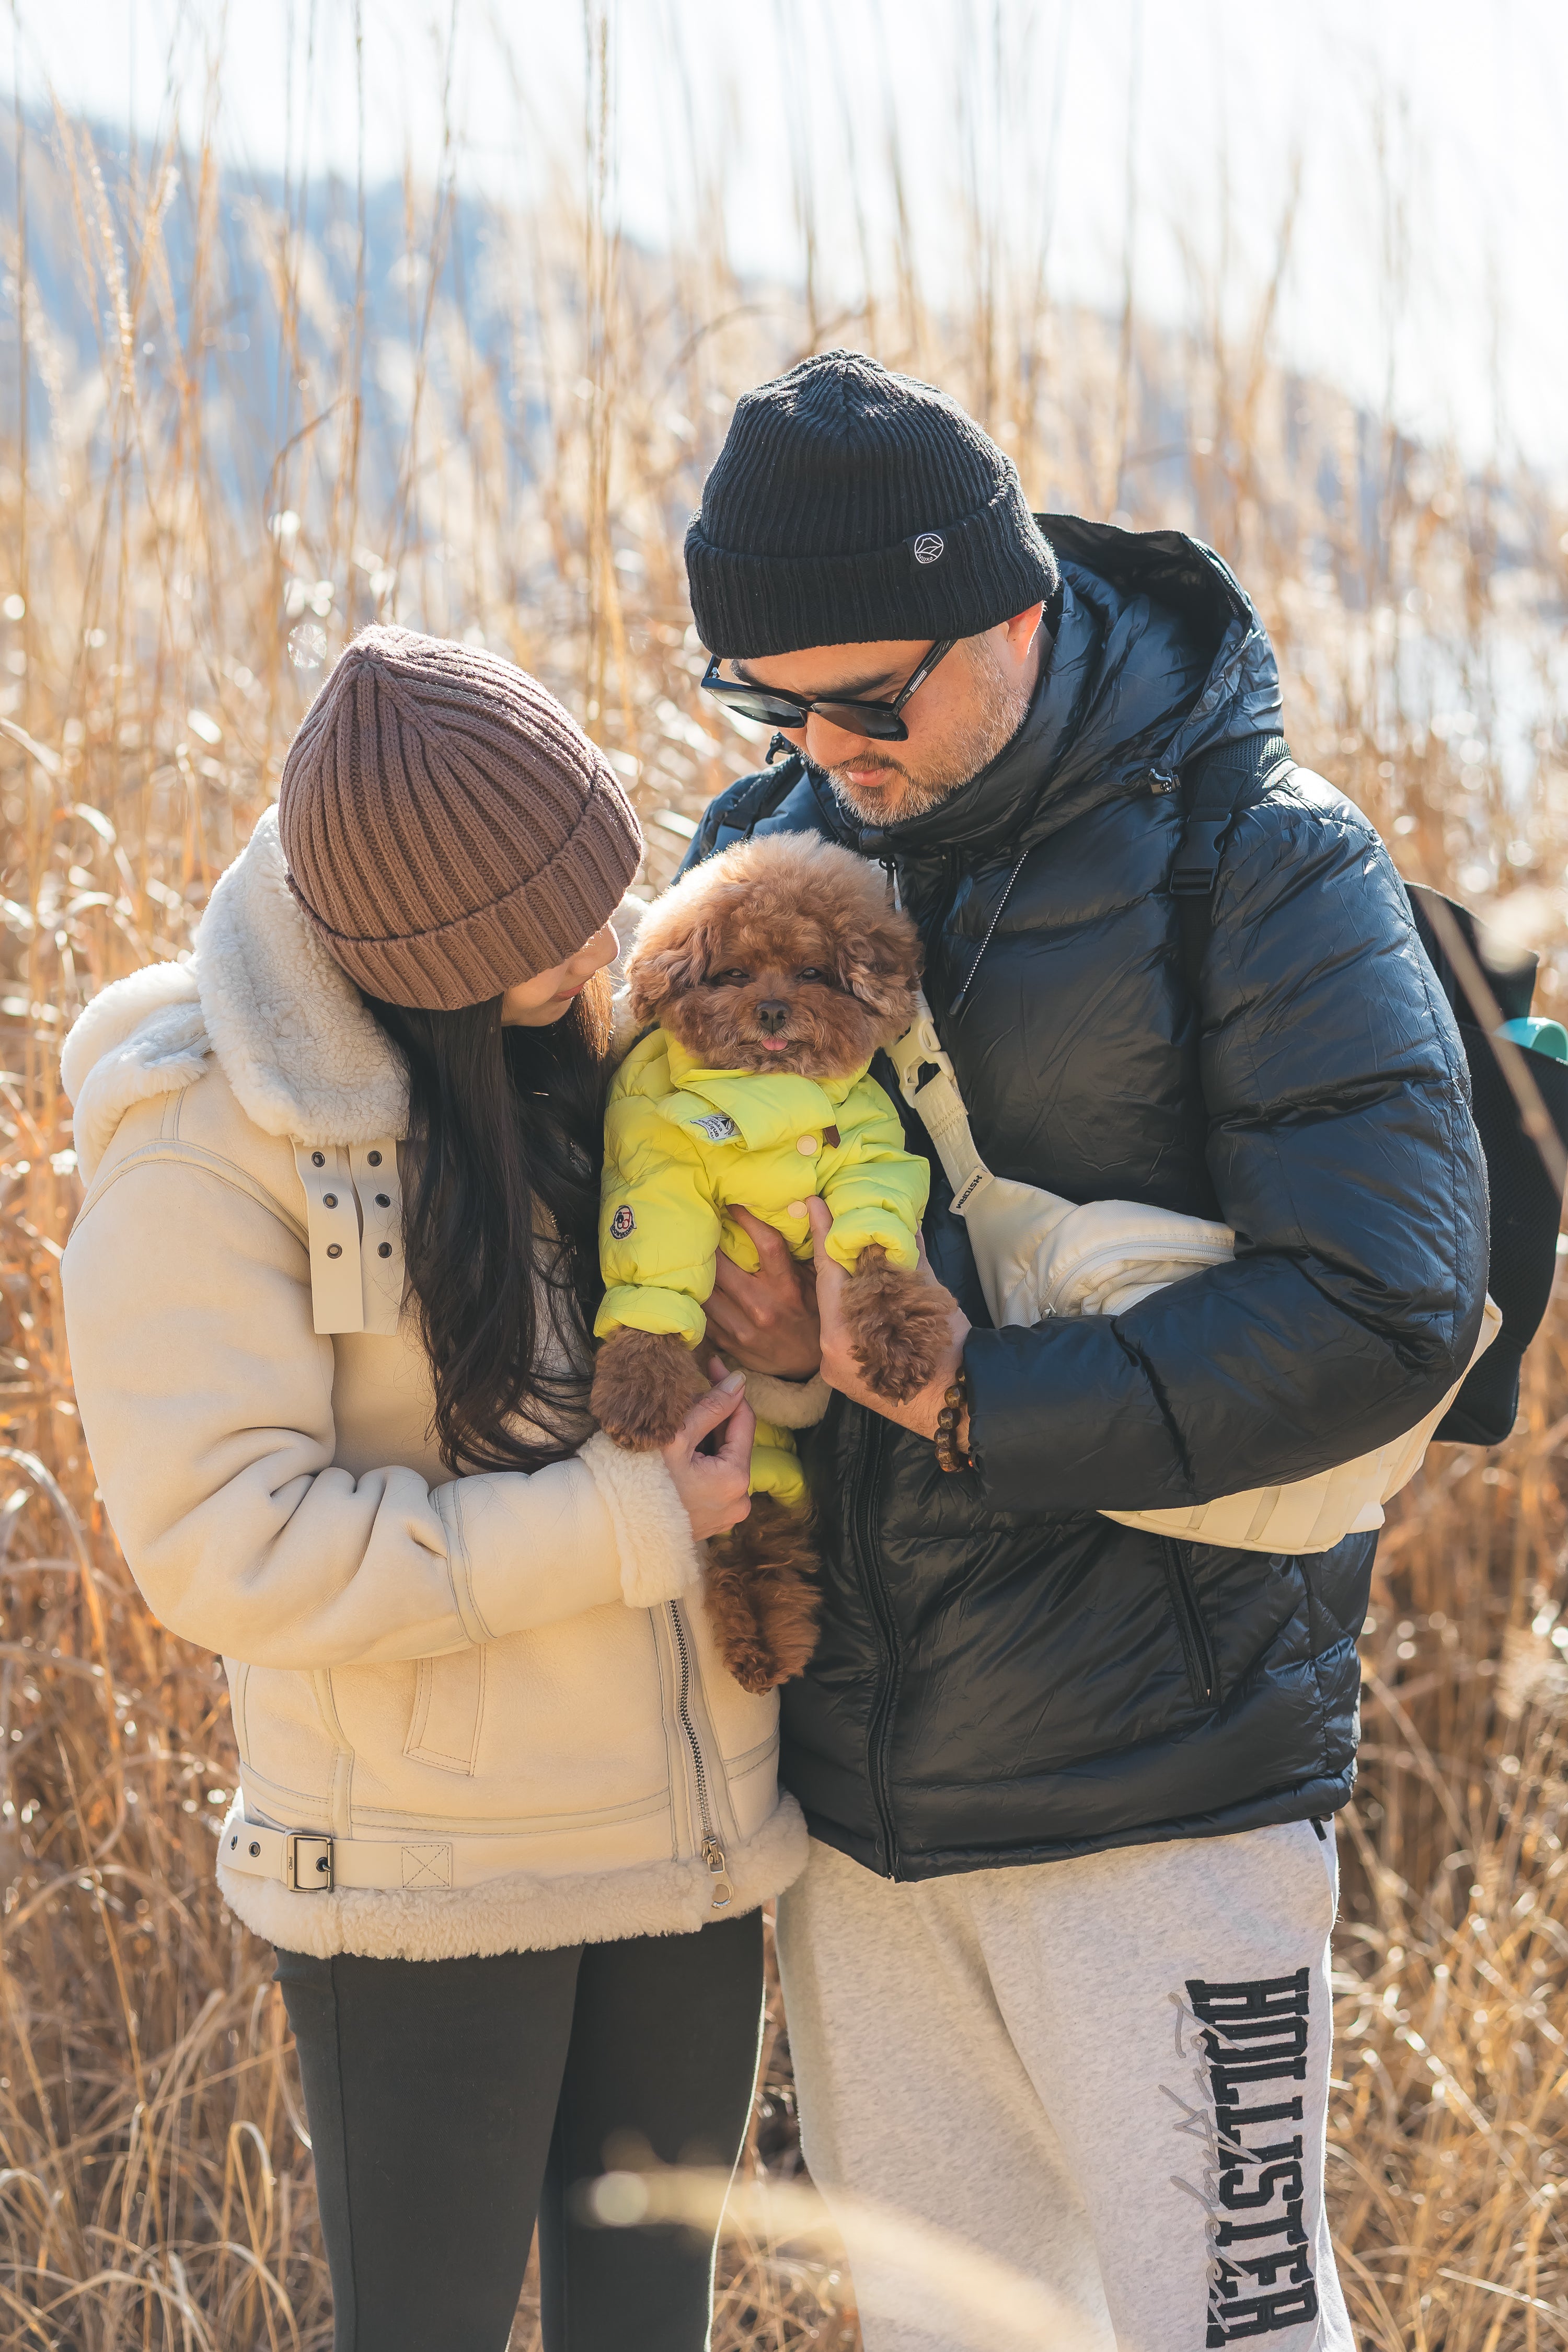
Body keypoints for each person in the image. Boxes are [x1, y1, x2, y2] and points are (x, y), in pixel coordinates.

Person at [677, 353, 1488, 2350]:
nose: (828, 748)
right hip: (861, 1822)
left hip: (1165, 1799)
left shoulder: (1266, 857)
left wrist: (970, 1398)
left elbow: (1386, 1302)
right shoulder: (752, 862)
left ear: (1019, 604)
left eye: (878, 695)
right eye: (777, 703)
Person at [60, 627, 808, 2352]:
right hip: (423, 1876)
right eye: (551, 943)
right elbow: (229, 1544)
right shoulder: (203, 1140)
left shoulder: (601, 1054)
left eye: (605, 896)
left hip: (684, 1852)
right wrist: (626, 1526)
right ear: (434, 969)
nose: (608, 953)